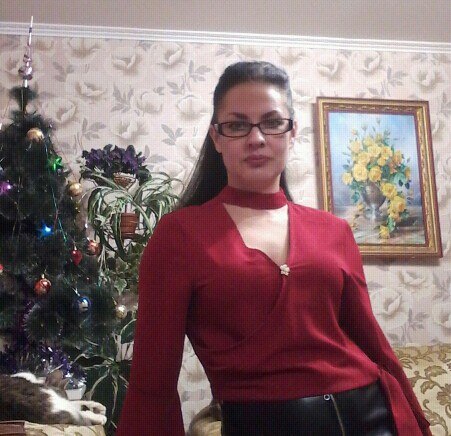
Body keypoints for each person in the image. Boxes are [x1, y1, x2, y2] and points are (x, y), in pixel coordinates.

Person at [117, 61, 431, 436]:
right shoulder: (179, 235)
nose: (257, 138)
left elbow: (374, 345)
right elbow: (152, 385)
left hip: (371, 417)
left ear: (292, 132)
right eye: (237, 125)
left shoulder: (334, 230)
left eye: (272, 122)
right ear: (216, 138)